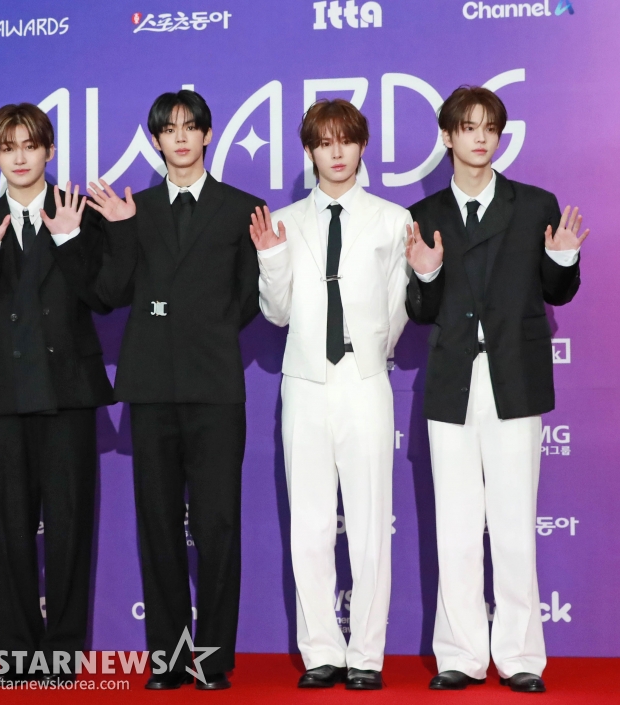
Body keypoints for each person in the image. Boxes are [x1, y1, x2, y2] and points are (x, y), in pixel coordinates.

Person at [405, 86, 586, 694]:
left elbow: (558, 292)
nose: (480, 137)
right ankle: (459, 654)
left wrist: (562, 261)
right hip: (453, 380)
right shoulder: (424, 214)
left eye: (490, 127)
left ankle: (520, 656)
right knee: (455, 526)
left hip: (515, 377)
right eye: (468, 127)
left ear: (500, 137)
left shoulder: (534, 205)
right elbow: (420, 310)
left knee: (512, 525)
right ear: (448, 136)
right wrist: (426, 273)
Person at [83, 89, 264, 690]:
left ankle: (212, 660)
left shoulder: (243, 209)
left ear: (208, 135)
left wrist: (199, 327)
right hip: (152, 387)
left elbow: (248, 298)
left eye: (190, 127)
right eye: (169, 129)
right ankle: (166, 657)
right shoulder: (133, 209)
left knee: (218, 526)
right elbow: (109, 293)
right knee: (157, 525)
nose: (180, 137)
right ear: (156, 140)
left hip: (215, 386)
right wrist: (121, 231)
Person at [0, 103, 115, 686]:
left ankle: (63, 656)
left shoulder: (78, 211)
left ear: (49, 150)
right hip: (7, 394)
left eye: (29, 145)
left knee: (70, 528)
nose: (19, 157)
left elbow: (104, 297)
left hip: (69, 391)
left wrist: (70, 240)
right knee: (13, 530)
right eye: (8, 148)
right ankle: (19, 656)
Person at [252, 99, 410, 691]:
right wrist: (271, 258)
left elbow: (397, 309)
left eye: (346, 140)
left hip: (365, 380)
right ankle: (321, 649)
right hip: (304, 382)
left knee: (370, 525)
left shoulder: (393, 220)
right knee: (310, 524)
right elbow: (276, 313)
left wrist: (368, 353)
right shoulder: (285, 222)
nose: (336, 152)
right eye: (324, 142)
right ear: (310, 150)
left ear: (362, 145)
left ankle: (367, 654)